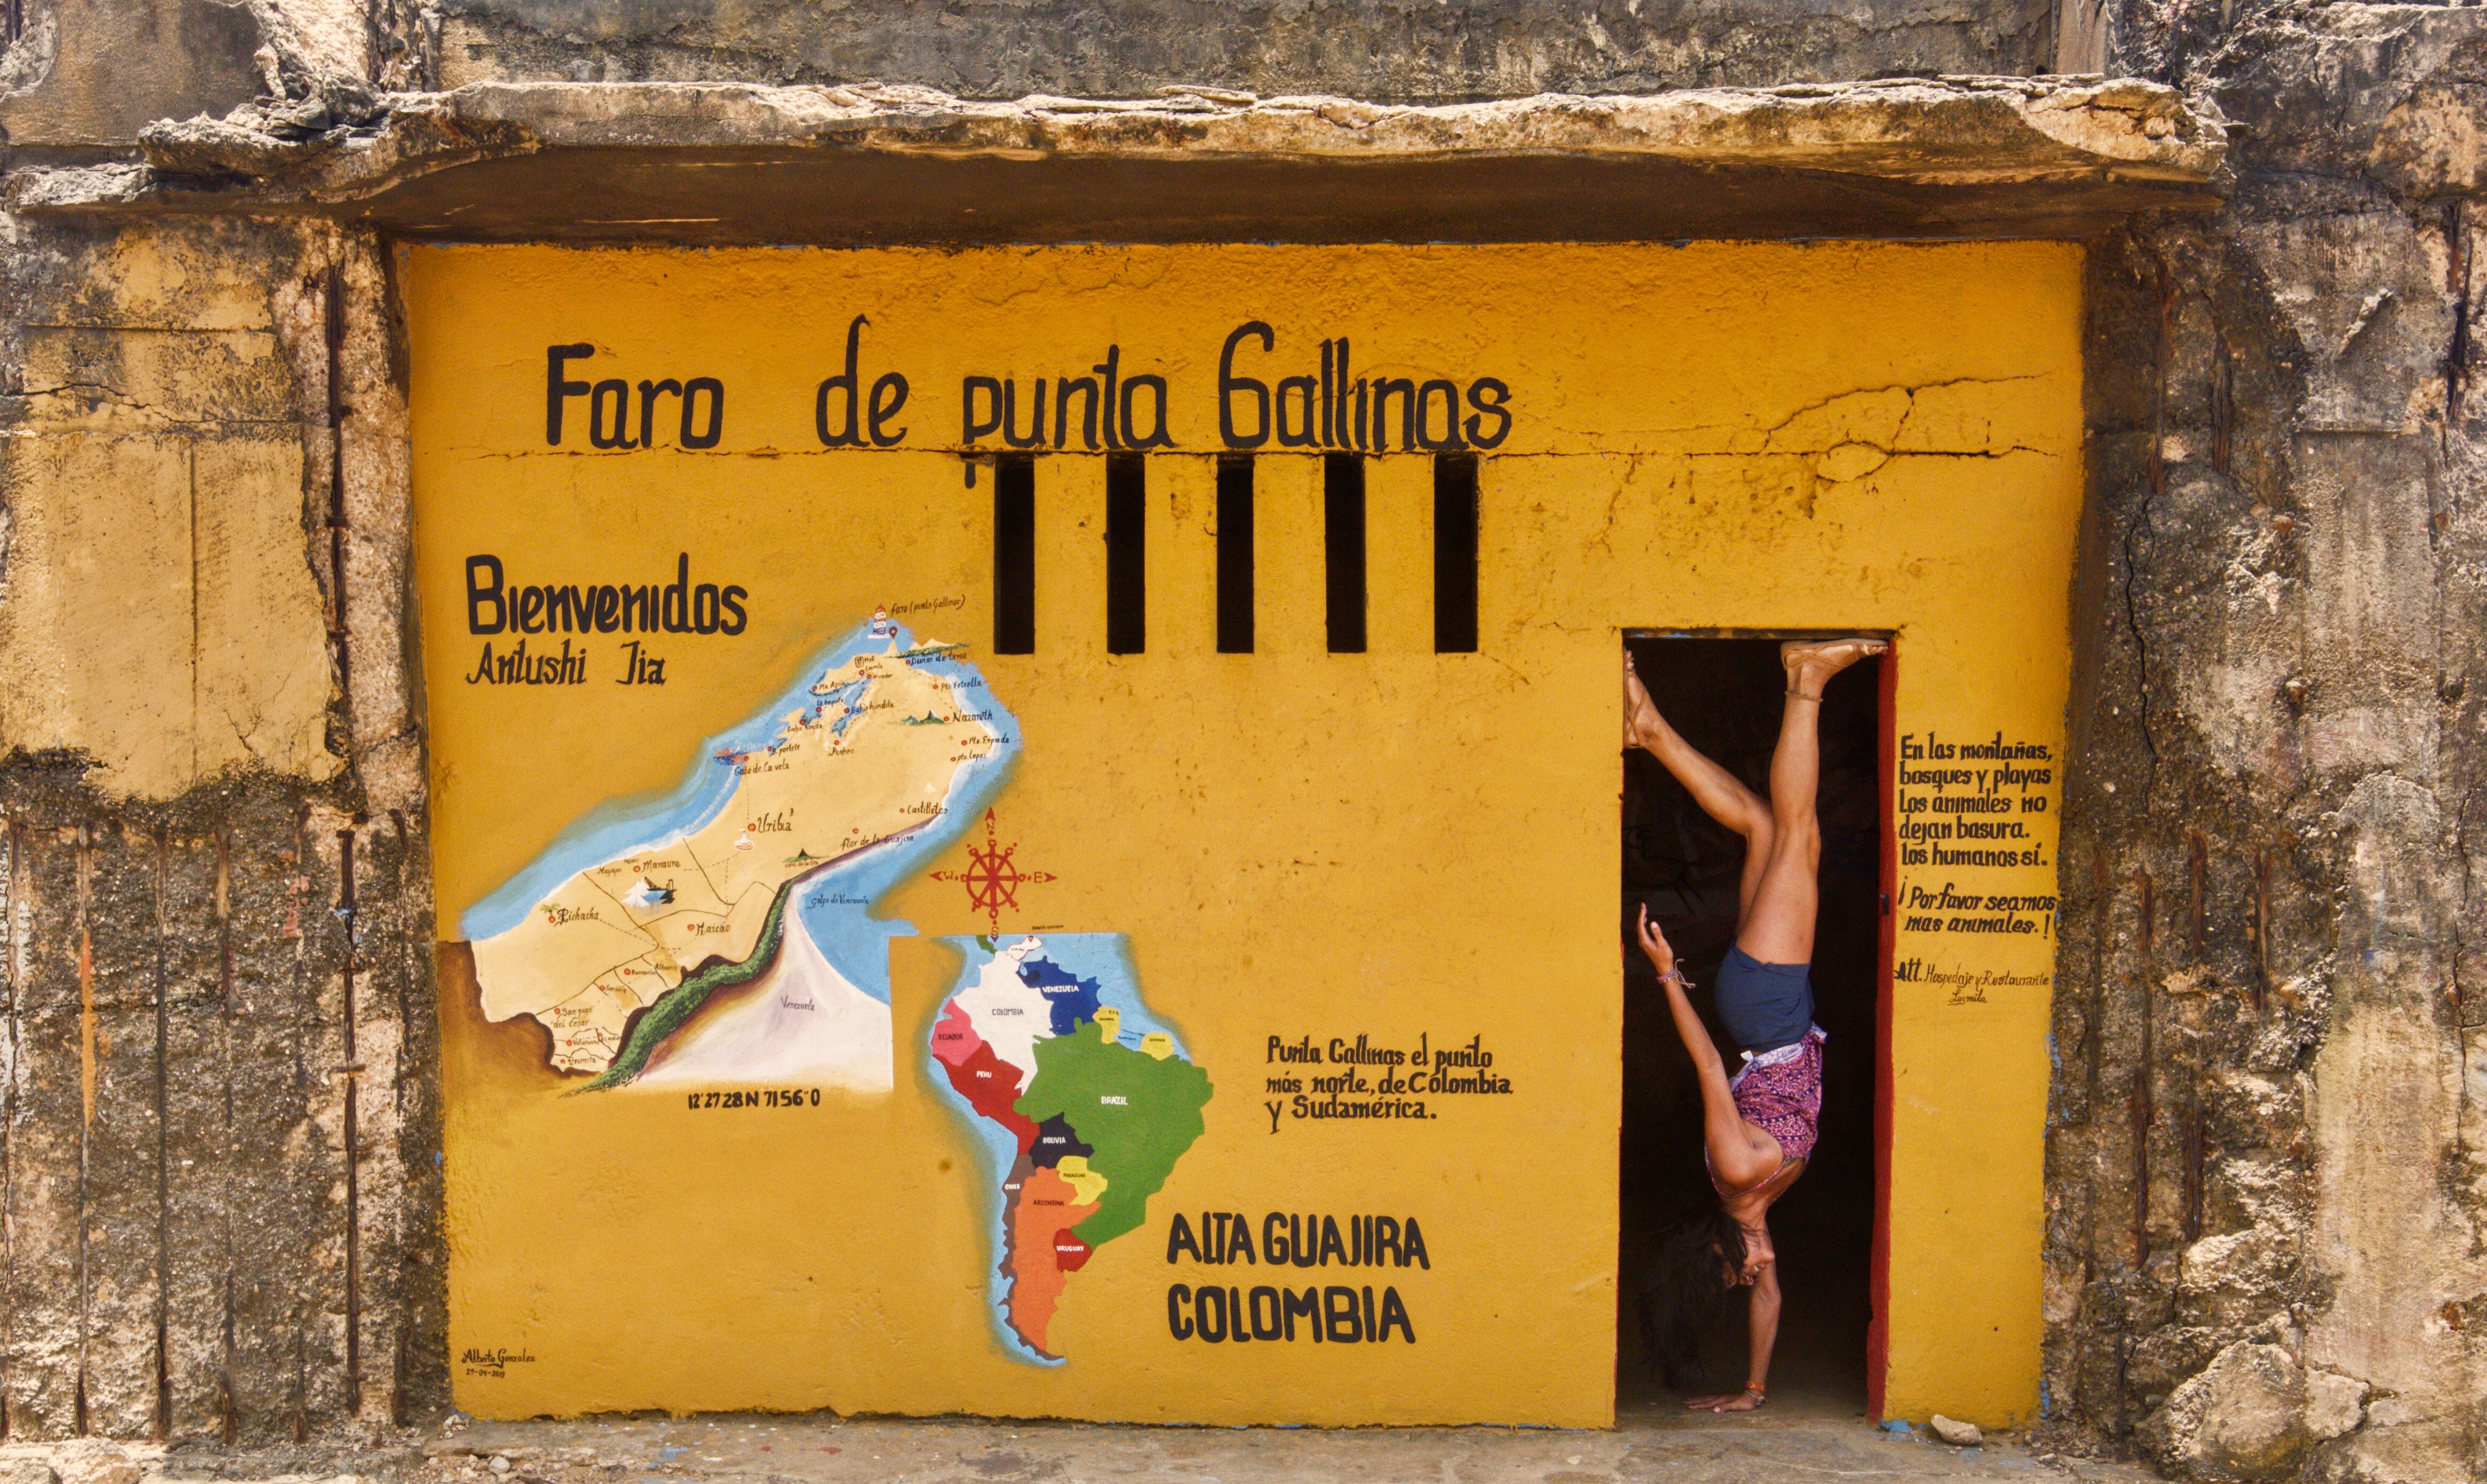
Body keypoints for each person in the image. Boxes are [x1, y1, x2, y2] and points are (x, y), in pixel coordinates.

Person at [1624, 637, 1883, 1412]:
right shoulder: (1751, 1212)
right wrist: (1751, 1389)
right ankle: (1649, 729)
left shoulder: (1738, 1174)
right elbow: (1768, 1304)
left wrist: (1668, 974)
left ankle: (1804, 678)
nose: (1756, 1275)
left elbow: (1709, 1069)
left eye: (1739, 1272)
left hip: (1764, 1005)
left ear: (1718, 1249)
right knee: (1767, 828)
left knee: (1799, 834)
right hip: (1769, 1006)